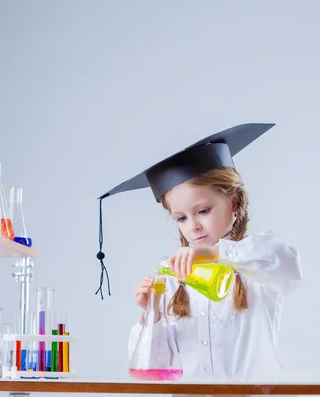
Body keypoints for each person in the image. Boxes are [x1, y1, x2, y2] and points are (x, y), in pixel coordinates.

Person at [96, 123, 303, 383]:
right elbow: (153, 371)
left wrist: (216, 253)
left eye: (203, 211)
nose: (193, 226)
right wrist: (154, 314)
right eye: (181, 217)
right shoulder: (173, 278)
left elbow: (288, 266)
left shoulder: (256, 262)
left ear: (234, 202)